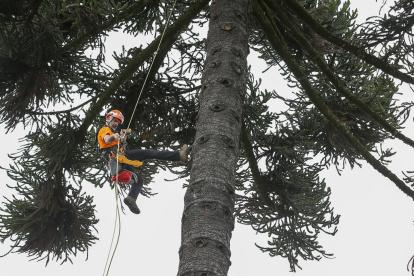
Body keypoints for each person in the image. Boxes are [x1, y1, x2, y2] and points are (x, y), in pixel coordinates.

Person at [97, 109, 188, 214]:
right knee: (148, 153)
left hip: (121, 160)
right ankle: (178, 156)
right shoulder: (104, 129)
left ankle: (131, 198)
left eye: (118, 122)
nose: (116, 123)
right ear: (108, 118)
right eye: (115, 120)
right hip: (118, 157)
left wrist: (122, 137)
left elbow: (118, 142)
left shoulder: (116, 133)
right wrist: (113, 136)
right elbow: (107, 139)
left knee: (139, 180)